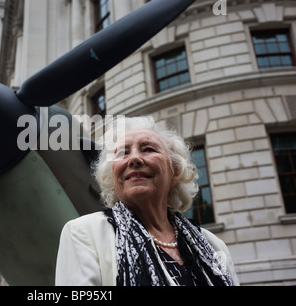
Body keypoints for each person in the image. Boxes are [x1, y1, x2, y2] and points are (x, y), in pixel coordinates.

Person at [55, 116, 239, 286]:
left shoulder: (213, 246)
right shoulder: (83, 233)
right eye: (122, 153)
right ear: (112, 176)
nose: (134, 158)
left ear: (175, 171)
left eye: (148, 149)